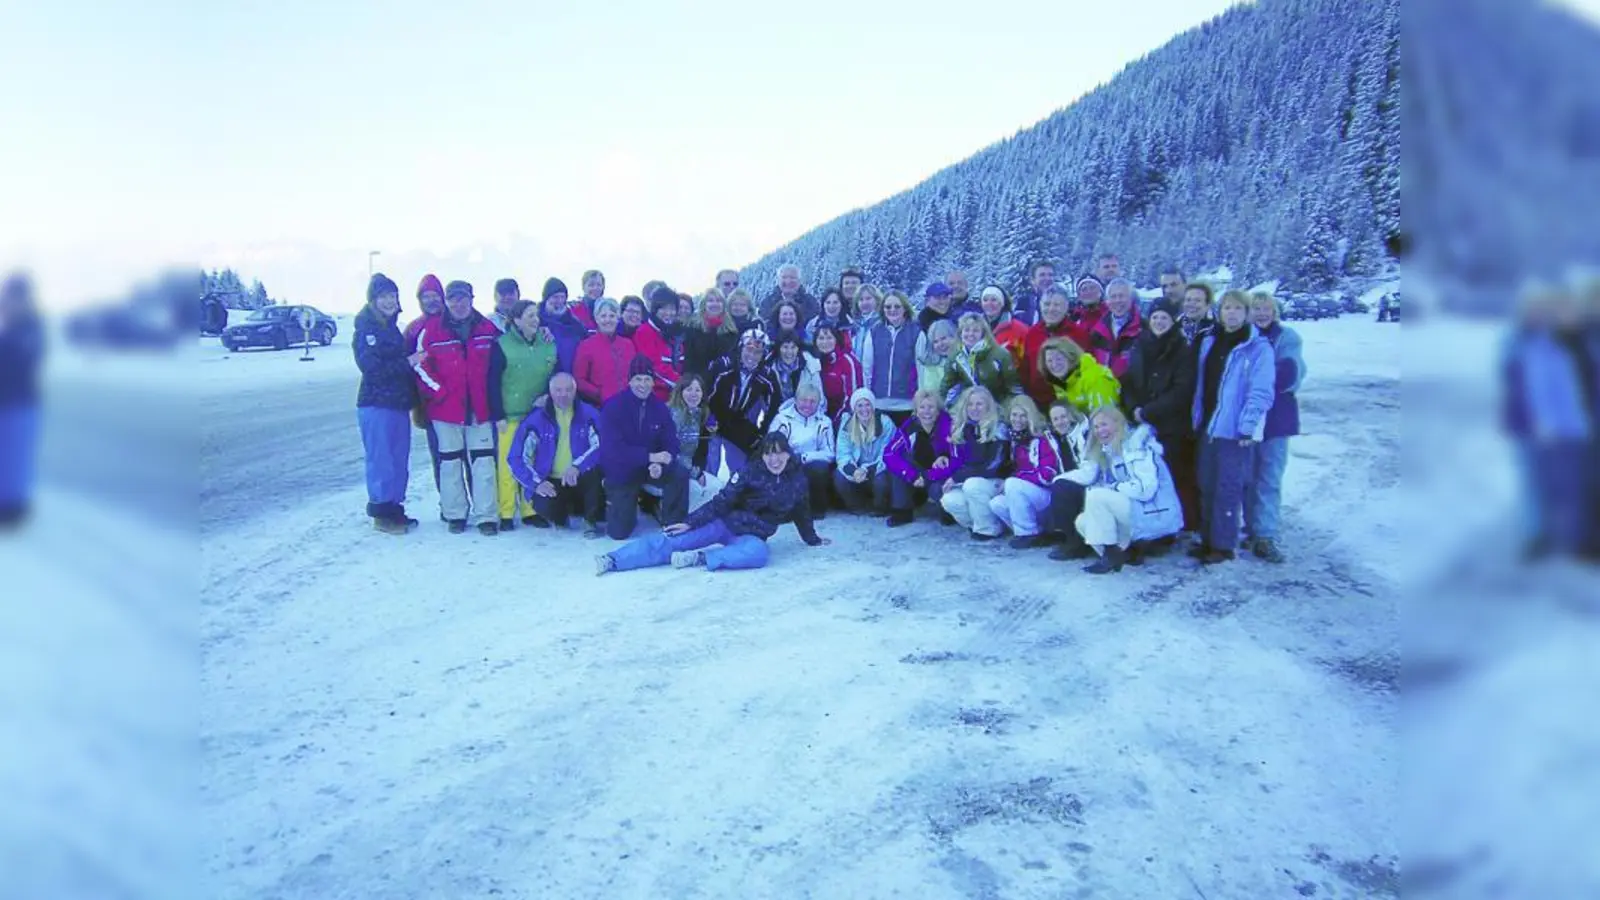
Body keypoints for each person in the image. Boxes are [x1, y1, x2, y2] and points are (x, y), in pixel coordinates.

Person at [595, 432, 828, 575]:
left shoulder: (797, 479)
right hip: (724, 523)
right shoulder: (750, 472)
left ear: (788, 454)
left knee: (758, 555)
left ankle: (702, 558)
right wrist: (690, 523)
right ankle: (614, 560)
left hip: (754, 534)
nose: (774, 459)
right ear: (762, 456)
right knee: (677, 541)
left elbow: (802, 510)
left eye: (779, 454)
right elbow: (722, 500)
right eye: (769, 454)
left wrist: (812, 539)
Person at [1502, 283, 1594, 560]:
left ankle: (1573, 537)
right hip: (1540, 427)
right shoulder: (1528, 344)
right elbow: (1532, 388)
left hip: (1572, 426)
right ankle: (1543, 536)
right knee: (1538, 484)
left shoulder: (1568, 342)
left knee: (1574, 484)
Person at [1189, 290, 1276, 565]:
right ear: (1219, 311)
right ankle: (1207, 538)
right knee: (1206, 483)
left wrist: (1248, 425)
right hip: (1208, 425)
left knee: (1228, 486)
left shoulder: (1257, 347)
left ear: (1248, 313)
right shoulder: (1210, 341)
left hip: (1234, 430)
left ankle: (1223, 544)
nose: (1232, 313)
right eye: (1227, 308)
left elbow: (1261, 390)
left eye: (1238, 308)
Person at [415, 280, 502, 534]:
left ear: (472, 299)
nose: (459, 304)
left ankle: (487, 515)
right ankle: (455, 514)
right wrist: (439, 392)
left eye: (463, 298)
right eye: (453, 299)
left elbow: (501, 364)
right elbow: (420, 366)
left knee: (484, 462)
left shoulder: (488, 329)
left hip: (480, 409)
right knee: (450, 462)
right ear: (447, 302)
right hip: (446, 411)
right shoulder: (431, 331)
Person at [1058, 406, 1184, 573]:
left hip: (1154, 513)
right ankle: (1123, 553)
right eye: (1095, 427)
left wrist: (1115, 487)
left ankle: (1111, 557)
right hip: (1134, 510)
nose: (1099, 431)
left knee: (1097, 495)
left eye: (1104, 424)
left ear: (1118, 424)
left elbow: (1146, 490)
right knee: (1082, 521)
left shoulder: (1136, 448)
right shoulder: (1109, 451)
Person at [1120, 299, 1200, 536]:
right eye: (1155, 317)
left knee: (1173, 476)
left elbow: (1182, 389)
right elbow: (1129, 382)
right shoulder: (1140, 344)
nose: (1159, 322)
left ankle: (1178, 524)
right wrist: (1133, 408)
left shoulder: (1182, 349)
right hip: (1141, 422)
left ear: (1173, 320)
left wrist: (1148, 411)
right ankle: (1151, 525)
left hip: (1170, 424)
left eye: (1164, 317)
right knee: (1146, 476)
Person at [1242, 292, 1306, 563]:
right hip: (1247, 417)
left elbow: (1290, 373)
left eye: (1266, 308)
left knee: (1269, 476)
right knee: (1247, 476)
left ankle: (1265, 534)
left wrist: (1254, 378)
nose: (1261, 313)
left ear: (1275, 311)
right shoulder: (1243, 336)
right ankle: (1250, 525)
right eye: (1256, 308)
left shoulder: (1287, 337)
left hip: (1276, 418)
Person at [599, 356, 689, 539]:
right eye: (638, 379)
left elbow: (671, 442)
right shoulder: (613, 407)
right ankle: (620, 498)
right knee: (619, 532)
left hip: (650, 468)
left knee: (680, 472)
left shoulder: (660, 408)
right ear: (629, 381)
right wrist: (651, 457)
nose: (643, 384)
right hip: (622, 470)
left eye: (647, 379)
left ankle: (674, 523)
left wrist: (660, 464)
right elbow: (613, 450)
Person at [487, 298, 559, 530]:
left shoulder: (547, 343)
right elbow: (492, 381)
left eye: (536, 316)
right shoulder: (502, 345)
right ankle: (506, 512)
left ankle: (530, 510)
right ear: (516, 320)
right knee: (509, 463)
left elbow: (556, 375)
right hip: (510, 416)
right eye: (529, 316)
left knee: (534, 462)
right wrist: (497, 415)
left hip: (536, 416)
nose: (535, 320)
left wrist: (549, 397)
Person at [507, 372, 605, 538]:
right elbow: (516, 458)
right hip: (552, 480)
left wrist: (577, 467)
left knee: (594, 474)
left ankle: (590, 519)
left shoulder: (590, 414)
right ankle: (561, 516)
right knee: (544, 503)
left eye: (568, 390)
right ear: (550, 392)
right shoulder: (535, 420)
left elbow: (602, 446)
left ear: (575, 391)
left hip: (580, 476)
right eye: (558, 390)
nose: (563, 395)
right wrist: (536, 483)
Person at [0, 273, 45, 529]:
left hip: (17, 406)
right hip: (11, 405)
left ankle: (12, 509)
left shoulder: (29, 330)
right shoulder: (16, 329)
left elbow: (16, 360)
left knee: (12, 459)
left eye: (7, 299)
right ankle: (8, 505)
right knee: (6, 458)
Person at [938, 386, 1013, 541]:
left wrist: (958, 477)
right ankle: (980, 523)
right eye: (970, 404)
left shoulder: (998, 429)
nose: (974, 408)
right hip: (972, 479)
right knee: (949, 499)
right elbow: (960, 461)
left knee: (972, 485)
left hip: (996, 481)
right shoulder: (965, 428)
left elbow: (993, 467)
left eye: (979, 404)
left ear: (988, 406)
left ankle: (987, 529)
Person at [989, 396, 1062, 549]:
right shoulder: (1015, 439)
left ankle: (1027, 533)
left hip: (1046, 494)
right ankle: (1039, 533)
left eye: (1023, 416)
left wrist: (1017, 478)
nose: (1018, 420)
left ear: (1031, 417)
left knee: (1012, 484)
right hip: (1027, 492)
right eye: (1014, 415)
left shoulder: (1042, 438)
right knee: (996, 504)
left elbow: (1048, 475)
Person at [883, 388, 961, 526]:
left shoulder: (949, 426)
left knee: (938, 491)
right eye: (922, 407)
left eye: (931, 407)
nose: (926, 411)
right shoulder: (910, 426)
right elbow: (889, 453)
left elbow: (957, 460)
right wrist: (910, 474)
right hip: (917, 472)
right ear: (916, 410)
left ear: (938, 410)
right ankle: (902, 511)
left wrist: (929, 476)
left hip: (940, 474)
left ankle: (948, 511)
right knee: (898, 466)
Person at [706, 328, 784, 460]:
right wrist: (708, 416)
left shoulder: (767, 375)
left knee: (751, 453)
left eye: (758, 352)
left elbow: (774, 406)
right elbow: (705, 394)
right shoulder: (723, 366)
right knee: (711, 456)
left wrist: (762, 431)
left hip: (738, 419)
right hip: (715, 416)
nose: (752, 356)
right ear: (741, 348)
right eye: (748, 350)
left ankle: (741, 477)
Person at [768, 381, 836, 516]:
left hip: (810, 464)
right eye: (804, 400)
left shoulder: (824, 422)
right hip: (785, 463)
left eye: (813, 401)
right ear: (796, 400)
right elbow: (771, 447)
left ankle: (816, 508)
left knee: (819, 468)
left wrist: (804, 457)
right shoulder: (782, 419)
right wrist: (788, 458)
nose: (808, 405)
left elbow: (829, 453)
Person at [406, 273, 446, 490]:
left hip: (462, 404)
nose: (432, 300)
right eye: (426, 297)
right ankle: (448, 504)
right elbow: (407, 368)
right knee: (441, 458)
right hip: (430, 406)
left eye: (435, 295)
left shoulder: (455, 321)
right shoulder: (413, 329)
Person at [667, 374, 726, 512]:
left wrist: (709, 429)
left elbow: (700, 450)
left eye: (697, 390)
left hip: (689, 467)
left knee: (716, 488)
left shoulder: (699, 414)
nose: (693, 394)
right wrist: (695, 474)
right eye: (689, 389)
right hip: (673, 470)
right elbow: (672, 453)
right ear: (680, 391)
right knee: (696, 496)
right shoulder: (674, 415)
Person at [1045, 402, 1096, 561]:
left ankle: (1075, 544)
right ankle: (1067, 537)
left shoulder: (1084, 434)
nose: (1060, 422)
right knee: (1059, 489)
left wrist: (1059, 479)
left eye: (1063, 416)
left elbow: (1090, 472)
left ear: (1072, 416)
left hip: (1095, 483)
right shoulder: (1058, 438)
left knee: (1061, 487)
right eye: (1055, 419)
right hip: (1077, 482)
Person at [860, 290, 921, 422]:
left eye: (897, 306)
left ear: (905, 308)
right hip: (879, 402)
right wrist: (867, 397)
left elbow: (921, 369)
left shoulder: (916, 332)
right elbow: (867, 368)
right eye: (888, 307)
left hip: (907, 403)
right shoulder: (874, 332)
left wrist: (919, 399)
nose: (892, 310)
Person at [833, 387, 895, 513]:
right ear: (854, 408)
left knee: (882, 480)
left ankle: (879, 507)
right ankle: (856, 506)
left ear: (873, 406)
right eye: (859, 405)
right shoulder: (847, 425)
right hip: (857, 470)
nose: (864, 409)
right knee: (838, 476)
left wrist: (866, 469)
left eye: (868, 405)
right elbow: (843, 454)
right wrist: (853, 471)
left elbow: (887, 454)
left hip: (877, 468)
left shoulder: (885, 423)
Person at [942, 312, 1022, 404]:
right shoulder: (955, 357)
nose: (970, 334)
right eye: (966, 330)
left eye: (975, 330)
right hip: (970, 406)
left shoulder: (1000, 354)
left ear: (983, 333)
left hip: (998, 405)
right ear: (961, 333)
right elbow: (946, 387)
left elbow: (1014, 387)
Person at [574, 298, 638, 406]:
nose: (608, 320)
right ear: (596, 319)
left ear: (618, 318)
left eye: (612, 316)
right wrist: (599, 393)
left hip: (628, 404)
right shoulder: (586, 346)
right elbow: (579, 379)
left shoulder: (628, 345)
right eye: (603, 316)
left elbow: (634, 373)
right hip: (600, 406)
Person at [1033, 336, 1120, 415]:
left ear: (1071, 357)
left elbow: (1106, 417)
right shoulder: (1062, 384)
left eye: (1059, 358)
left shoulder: (1095, 378)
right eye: (1049, 361)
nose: (1055, 364)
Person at [1020, 285, 1078, 404]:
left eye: (1057, 305)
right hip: (1038, 402)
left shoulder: (1077, 334)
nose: (1051, 309)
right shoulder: (1033, 333)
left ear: (1066, 308)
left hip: (1070, 405)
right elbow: (1025, 368)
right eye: (1047, 304)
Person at [633, 286, 685, 400]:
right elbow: (654, 366)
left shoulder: (674, 331)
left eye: (672, 309)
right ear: (655, 309)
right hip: (656, 397)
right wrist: (682, 383)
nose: (669, 313)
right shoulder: (645, 331)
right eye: (663, 308)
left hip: (677, 396)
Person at [1084, 278, 1143, 377]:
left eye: (1122, 296)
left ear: (1131, 299)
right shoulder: (1098, 331)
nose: (1117, 301)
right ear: (1107, 301)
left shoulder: (1143, 329)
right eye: (1113, 297)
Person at [682, 287, 741, 377]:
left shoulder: (731, 331)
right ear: (704, 305)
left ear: (724, 305)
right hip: (696, 382)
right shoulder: (693, 327)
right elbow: (688, 360)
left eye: (719, 301)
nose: (715, 304)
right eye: (710, 301)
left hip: (722, 382)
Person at [539, 278, 588, 374]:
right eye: (555, 297)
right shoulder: (536, 321)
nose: (559, 301)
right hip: (544, 375)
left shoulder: (575, 324)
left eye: (562, 297)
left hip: (570, 376)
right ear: (546, 298)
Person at [813, 324, 864, 419]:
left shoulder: (847, 361)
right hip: (817, 418)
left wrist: (836, 420)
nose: (825, 342)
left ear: (836, 339)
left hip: (841, 417)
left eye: (829, 338)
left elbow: (853, 397)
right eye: (821, 338)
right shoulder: (813, 361)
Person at [975, 285, 1029, 367]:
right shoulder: (974, 328)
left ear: (1002, 303)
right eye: (985, 300)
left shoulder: (1018, 328)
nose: (989, 304)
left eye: (994, 300)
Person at [767, 329, 821, 404]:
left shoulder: (811, 366)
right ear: (778, 349)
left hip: (804, 411)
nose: (789, 352)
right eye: (785, 347)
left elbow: (819, 397)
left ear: (798, 349)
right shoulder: (769, 367)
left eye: (793, 347)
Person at [916, 318, 958, 399]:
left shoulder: (966, 359)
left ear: (954, 336)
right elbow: (930, 392)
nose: (940, 344)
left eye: (943, 338)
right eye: (935, 342)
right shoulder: (931, 365)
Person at [807, 288, 856, 354]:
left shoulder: (851, 325)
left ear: (841, 304)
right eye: (828, 302)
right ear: (823, 305)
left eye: (835, 302)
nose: (831, 306)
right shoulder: (813, 325)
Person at [1010, 260, 1054, 327]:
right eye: (1042, 275)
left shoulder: (1063, 302)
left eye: (1050, 275)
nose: (1047, 278)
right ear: (1033, 280)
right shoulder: (1024, 302)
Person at [1069, 276, 1107, 346]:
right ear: (1079, 296)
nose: (1088, 292)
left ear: (1101, 292)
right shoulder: (1073, 318)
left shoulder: (1110, 315)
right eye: (1084, 289)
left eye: (1092, 288)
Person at [851, 284, 882, 350]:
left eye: (868, 298)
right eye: (861, 299)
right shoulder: (855, 325)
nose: (864, 303)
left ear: (877, 300)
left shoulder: (881, 323)